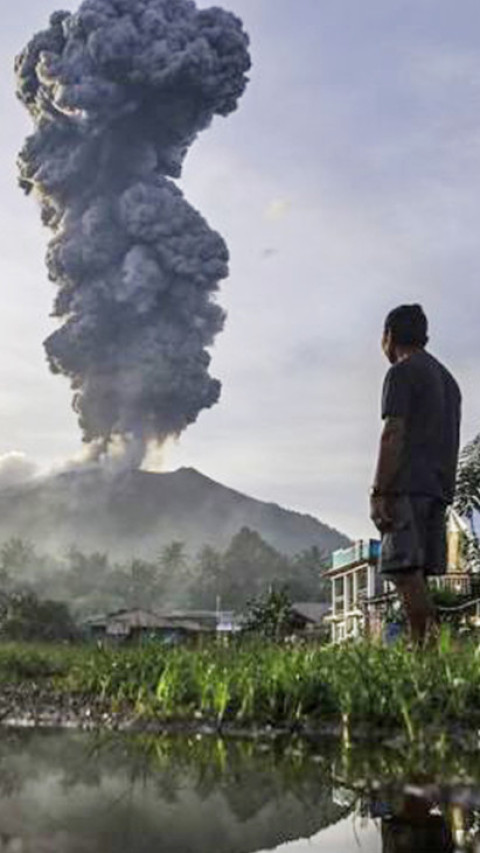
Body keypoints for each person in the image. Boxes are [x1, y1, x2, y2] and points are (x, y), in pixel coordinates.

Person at [370, 304, 461, 643]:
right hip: (438, 488)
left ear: (389, 336)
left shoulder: (402, 372)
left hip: (407, 487)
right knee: (418, 572)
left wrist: (380, 491)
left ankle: (426, 650)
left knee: (404, 570)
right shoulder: (448, 380)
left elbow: (393, 432)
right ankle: (425, 648)